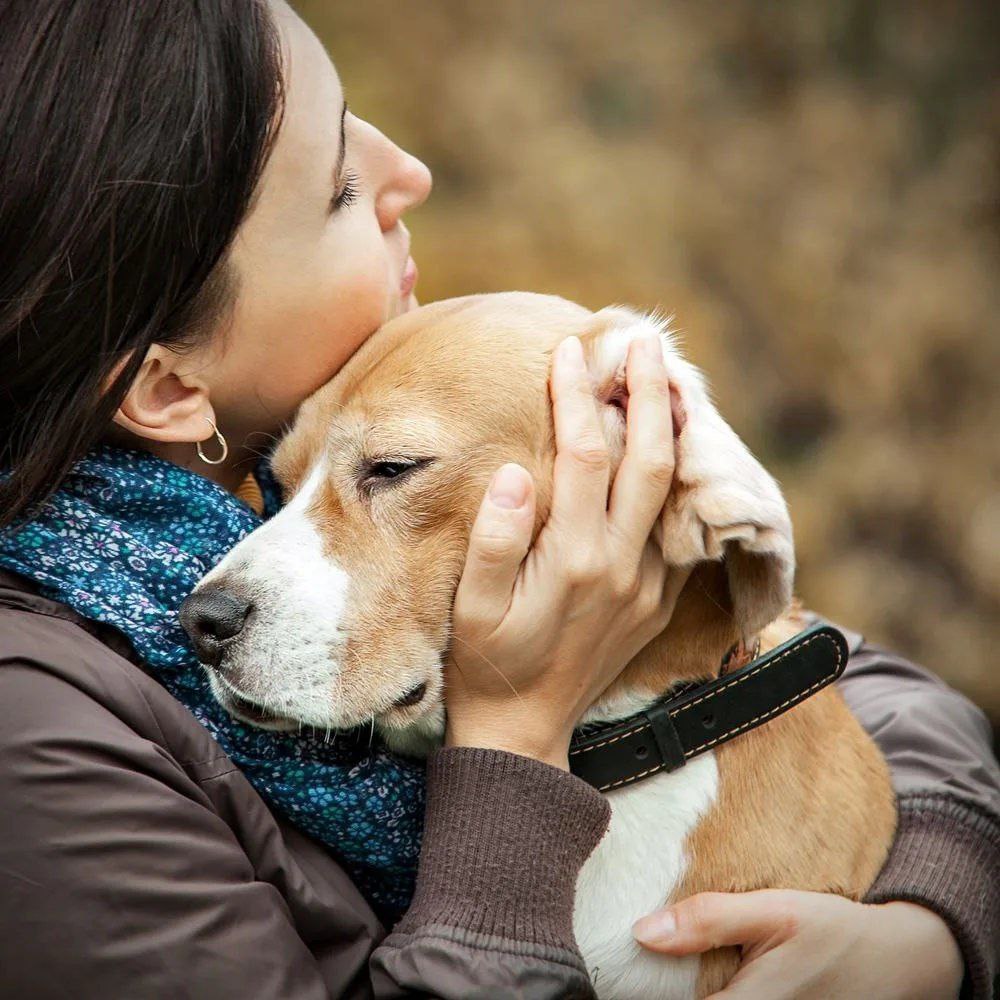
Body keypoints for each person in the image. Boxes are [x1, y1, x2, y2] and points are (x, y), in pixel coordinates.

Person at [0, 2, 995, 997]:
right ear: (169, 386)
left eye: (383, 470)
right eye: (339, 187)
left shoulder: (291, 472)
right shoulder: (38, 736)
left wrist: (928, 920)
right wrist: (515, 735)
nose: (410, 175)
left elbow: (835, 671)